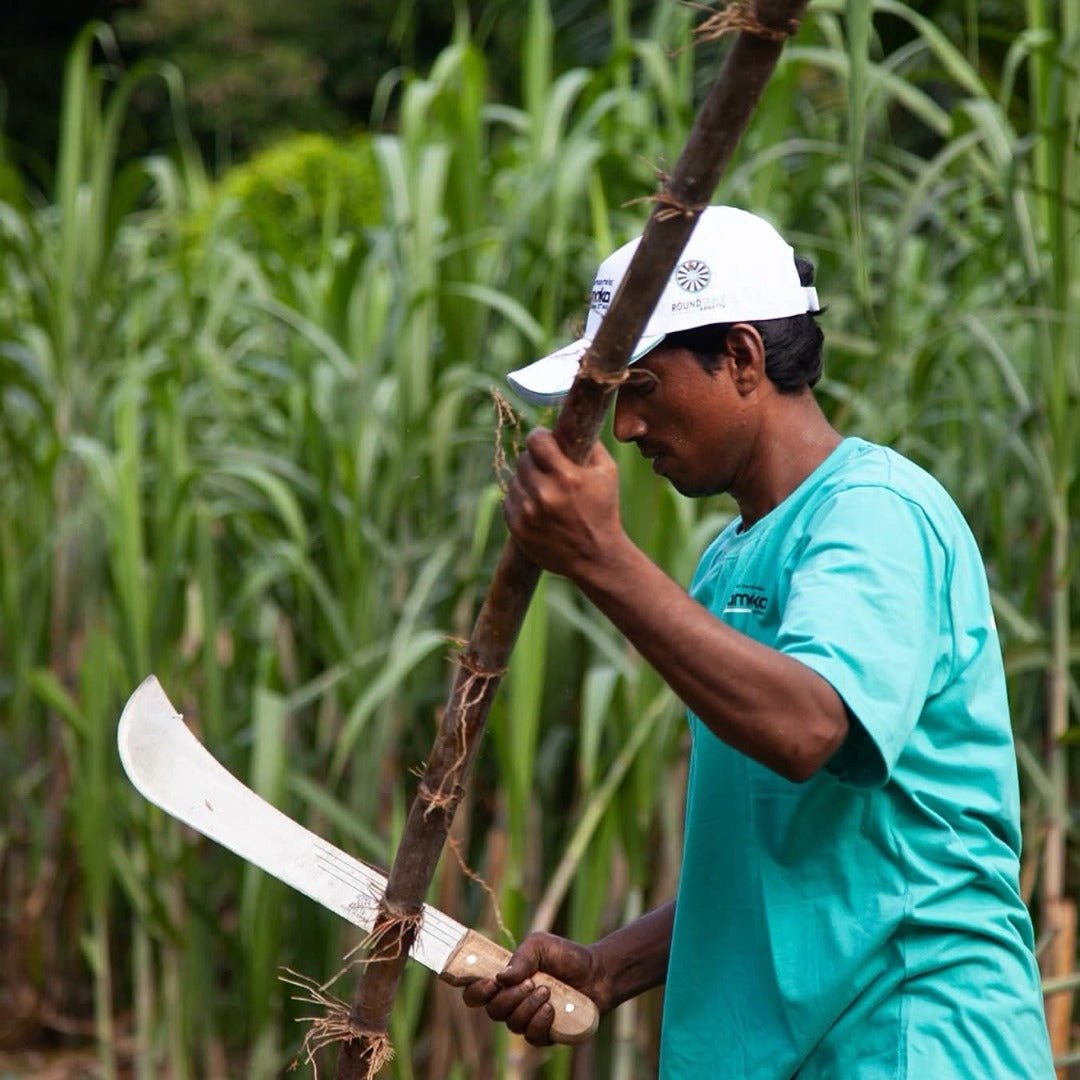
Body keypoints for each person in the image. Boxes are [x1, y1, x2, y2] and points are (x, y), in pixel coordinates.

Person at [462, 206, 1054, 1077]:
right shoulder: (730, 560)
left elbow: (807, 729)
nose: (625, 430)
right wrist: (610, 966)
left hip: (906, 1041)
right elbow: (783, 851)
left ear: (741, 358)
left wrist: (603, 559)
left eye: (644, 389)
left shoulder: (876, 512)